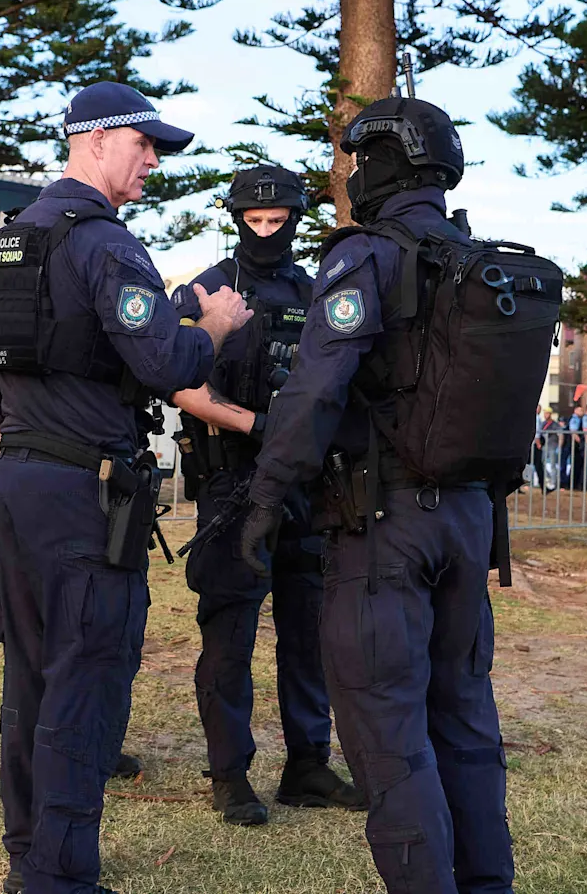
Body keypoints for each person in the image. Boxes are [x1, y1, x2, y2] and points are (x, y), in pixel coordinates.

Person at [0, 82, 252, 894]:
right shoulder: (106, 245)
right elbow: (165, 364)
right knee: (86, 676)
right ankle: (57, 875)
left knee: (31, 674)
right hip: (86, 493)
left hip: (20, 482)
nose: (154, 160)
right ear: (95, 140)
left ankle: (29, 852)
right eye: (144, 144)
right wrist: (211, 330)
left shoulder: (14, 241)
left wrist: (25, 450)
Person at [239, 93, 516, 893]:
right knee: (464, 722)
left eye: (360, 160)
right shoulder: (476, 262)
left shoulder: (367, 256)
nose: (352, 176)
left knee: (388, 735)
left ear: (389, 163)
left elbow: (314, 390)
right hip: (470, 523)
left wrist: (265, 496)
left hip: (385, 528)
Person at [168, 165, 362, 827]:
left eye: (279, 221)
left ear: (297, 220)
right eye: (254, 221)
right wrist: (258, 424)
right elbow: (177, 381)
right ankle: (229, 773)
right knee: (229, 634)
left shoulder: (315, 292)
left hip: (305, 489)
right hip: (231, 487)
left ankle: (307, 763)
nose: (267, 231)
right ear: (235, 219)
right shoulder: (205, 289)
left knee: (308, 632)